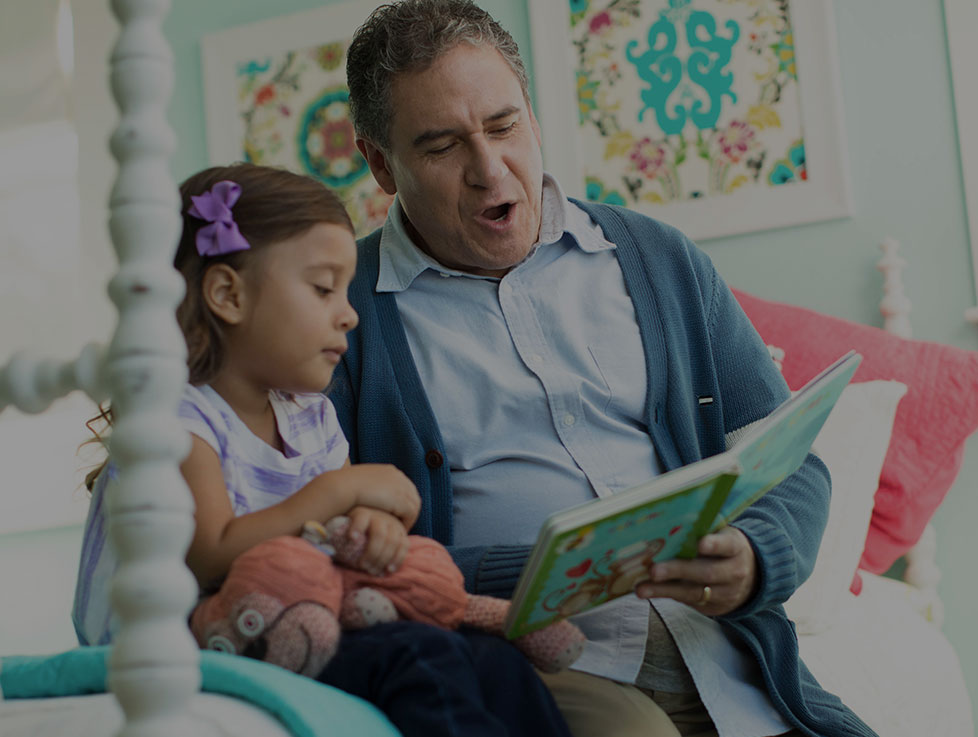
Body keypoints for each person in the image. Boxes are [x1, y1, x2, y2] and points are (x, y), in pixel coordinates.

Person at [335, 2, 878, 736]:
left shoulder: (658, 257)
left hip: (732, 658)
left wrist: (755, 556)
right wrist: (541, 573)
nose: (489, 169)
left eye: (504, 126)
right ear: (380, 165)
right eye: (441, 147)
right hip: (531, 668)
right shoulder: (342, 316)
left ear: (532, 113)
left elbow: (789, 457)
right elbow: (330, 552)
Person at [72, 163, 572, 737]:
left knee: (495, 659)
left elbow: (333, 530)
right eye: (322, 288)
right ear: (228, 295)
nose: (349, 312)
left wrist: (368, 528)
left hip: (294, 613)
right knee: (413, 656)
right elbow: (211, 555)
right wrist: (335, 492)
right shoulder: (178, 422)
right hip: (188, 646)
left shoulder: (308, 416)